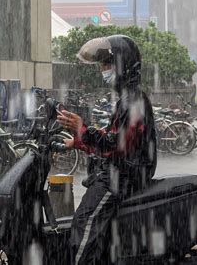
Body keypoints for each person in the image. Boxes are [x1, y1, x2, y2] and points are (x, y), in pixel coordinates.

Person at [57, 35, 157, 264]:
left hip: (123, 176)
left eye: (106, 64)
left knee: (84, 223)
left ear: (122, 64)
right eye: (101, 65)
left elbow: (117, 144)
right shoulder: (127, 99)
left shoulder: (134, 101)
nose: (103, 70)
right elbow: (112, 139)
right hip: (118, 172)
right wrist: (77, 141)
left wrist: (82, 130)